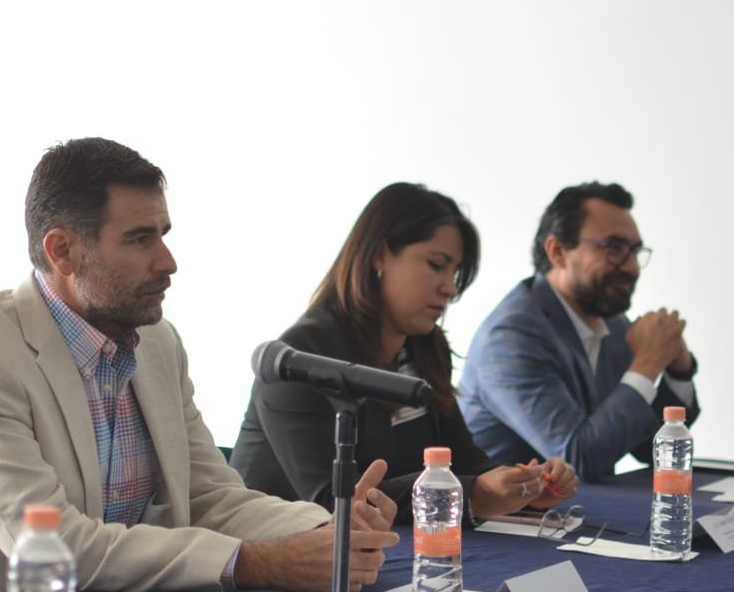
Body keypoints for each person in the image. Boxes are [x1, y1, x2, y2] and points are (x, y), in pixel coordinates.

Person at [0, 138, 400, 592]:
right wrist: (261, 564)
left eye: (162, 235)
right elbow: (50, 546)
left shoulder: (157, 341)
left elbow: (208, 497)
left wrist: (328, 530)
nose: (167, 261)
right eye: (140, 239)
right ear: (63, 252)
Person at [231, 183, 577, 521]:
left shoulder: (425, 345)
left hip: (386, 543)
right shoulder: (302, 357)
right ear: (379, 255)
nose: (450, 288)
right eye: (436, 264)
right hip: (278, 546)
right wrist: (471, 493)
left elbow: (461, 459)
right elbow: (333, 500)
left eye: (455, 272)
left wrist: (524, 488)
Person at [459, 182, 700, 480]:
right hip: (510, 509)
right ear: (558, 251)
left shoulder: (612, 324)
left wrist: (678, 370)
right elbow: (577, 460)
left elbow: (645, 445)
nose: (632, 268)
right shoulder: (511, 337)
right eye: (614, 249)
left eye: (635, 251)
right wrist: (648, 363)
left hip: (575, 505)